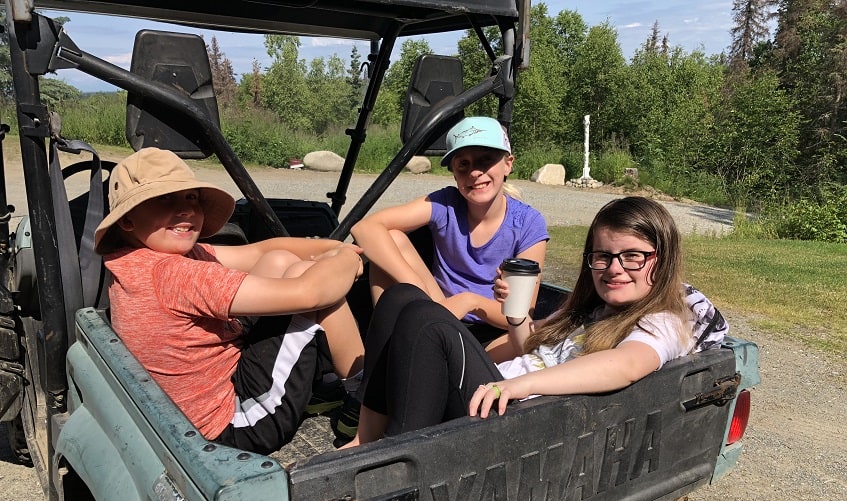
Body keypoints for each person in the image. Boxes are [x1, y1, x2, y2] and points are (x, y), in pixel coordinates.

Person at [343, 196, 728, 446]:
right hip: (494, 397)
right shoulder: (589, 308)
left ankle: (395, 462)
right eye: (602, 256)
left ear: (661, 258)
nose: (614, 269)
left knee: (424, 317)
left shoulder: (664, 318)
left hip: (513, 420)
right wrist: (515, 315)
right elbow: (531, 344)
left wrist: (518, 385)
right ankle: (367, 441)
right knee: (400, 297)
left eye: (632, 256)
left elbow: (627, 365)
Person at [94, 147, 365, 454]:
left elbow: (261, 253)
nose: (185, 210)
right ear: (127, 220)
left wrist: (333, 249)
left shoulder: (138, 260)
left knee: (279, 260)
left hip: (192, 405)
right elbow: (311, 293)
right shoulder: (175, 275)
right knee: (315, 285)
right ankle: (362, 401)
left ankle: (312, 384)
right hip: (236, 423)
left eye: (191, 198)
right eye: (165, 199)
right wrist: (345, 258)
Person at [351, 116, 549, 342]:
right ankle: (385, 348)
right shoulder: (445, 204)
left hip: (497, 331)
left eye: (486, 160)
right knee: (391, 239)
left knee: (525, 342)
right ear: (454, 173)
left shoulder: (528, 223)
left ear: (508, 164)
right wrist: (424, 295)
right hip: (441, 315)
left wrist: (469, 301)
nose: (475, 172)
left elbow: (521, 315)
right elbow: (365, 228)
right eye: (463, 164)